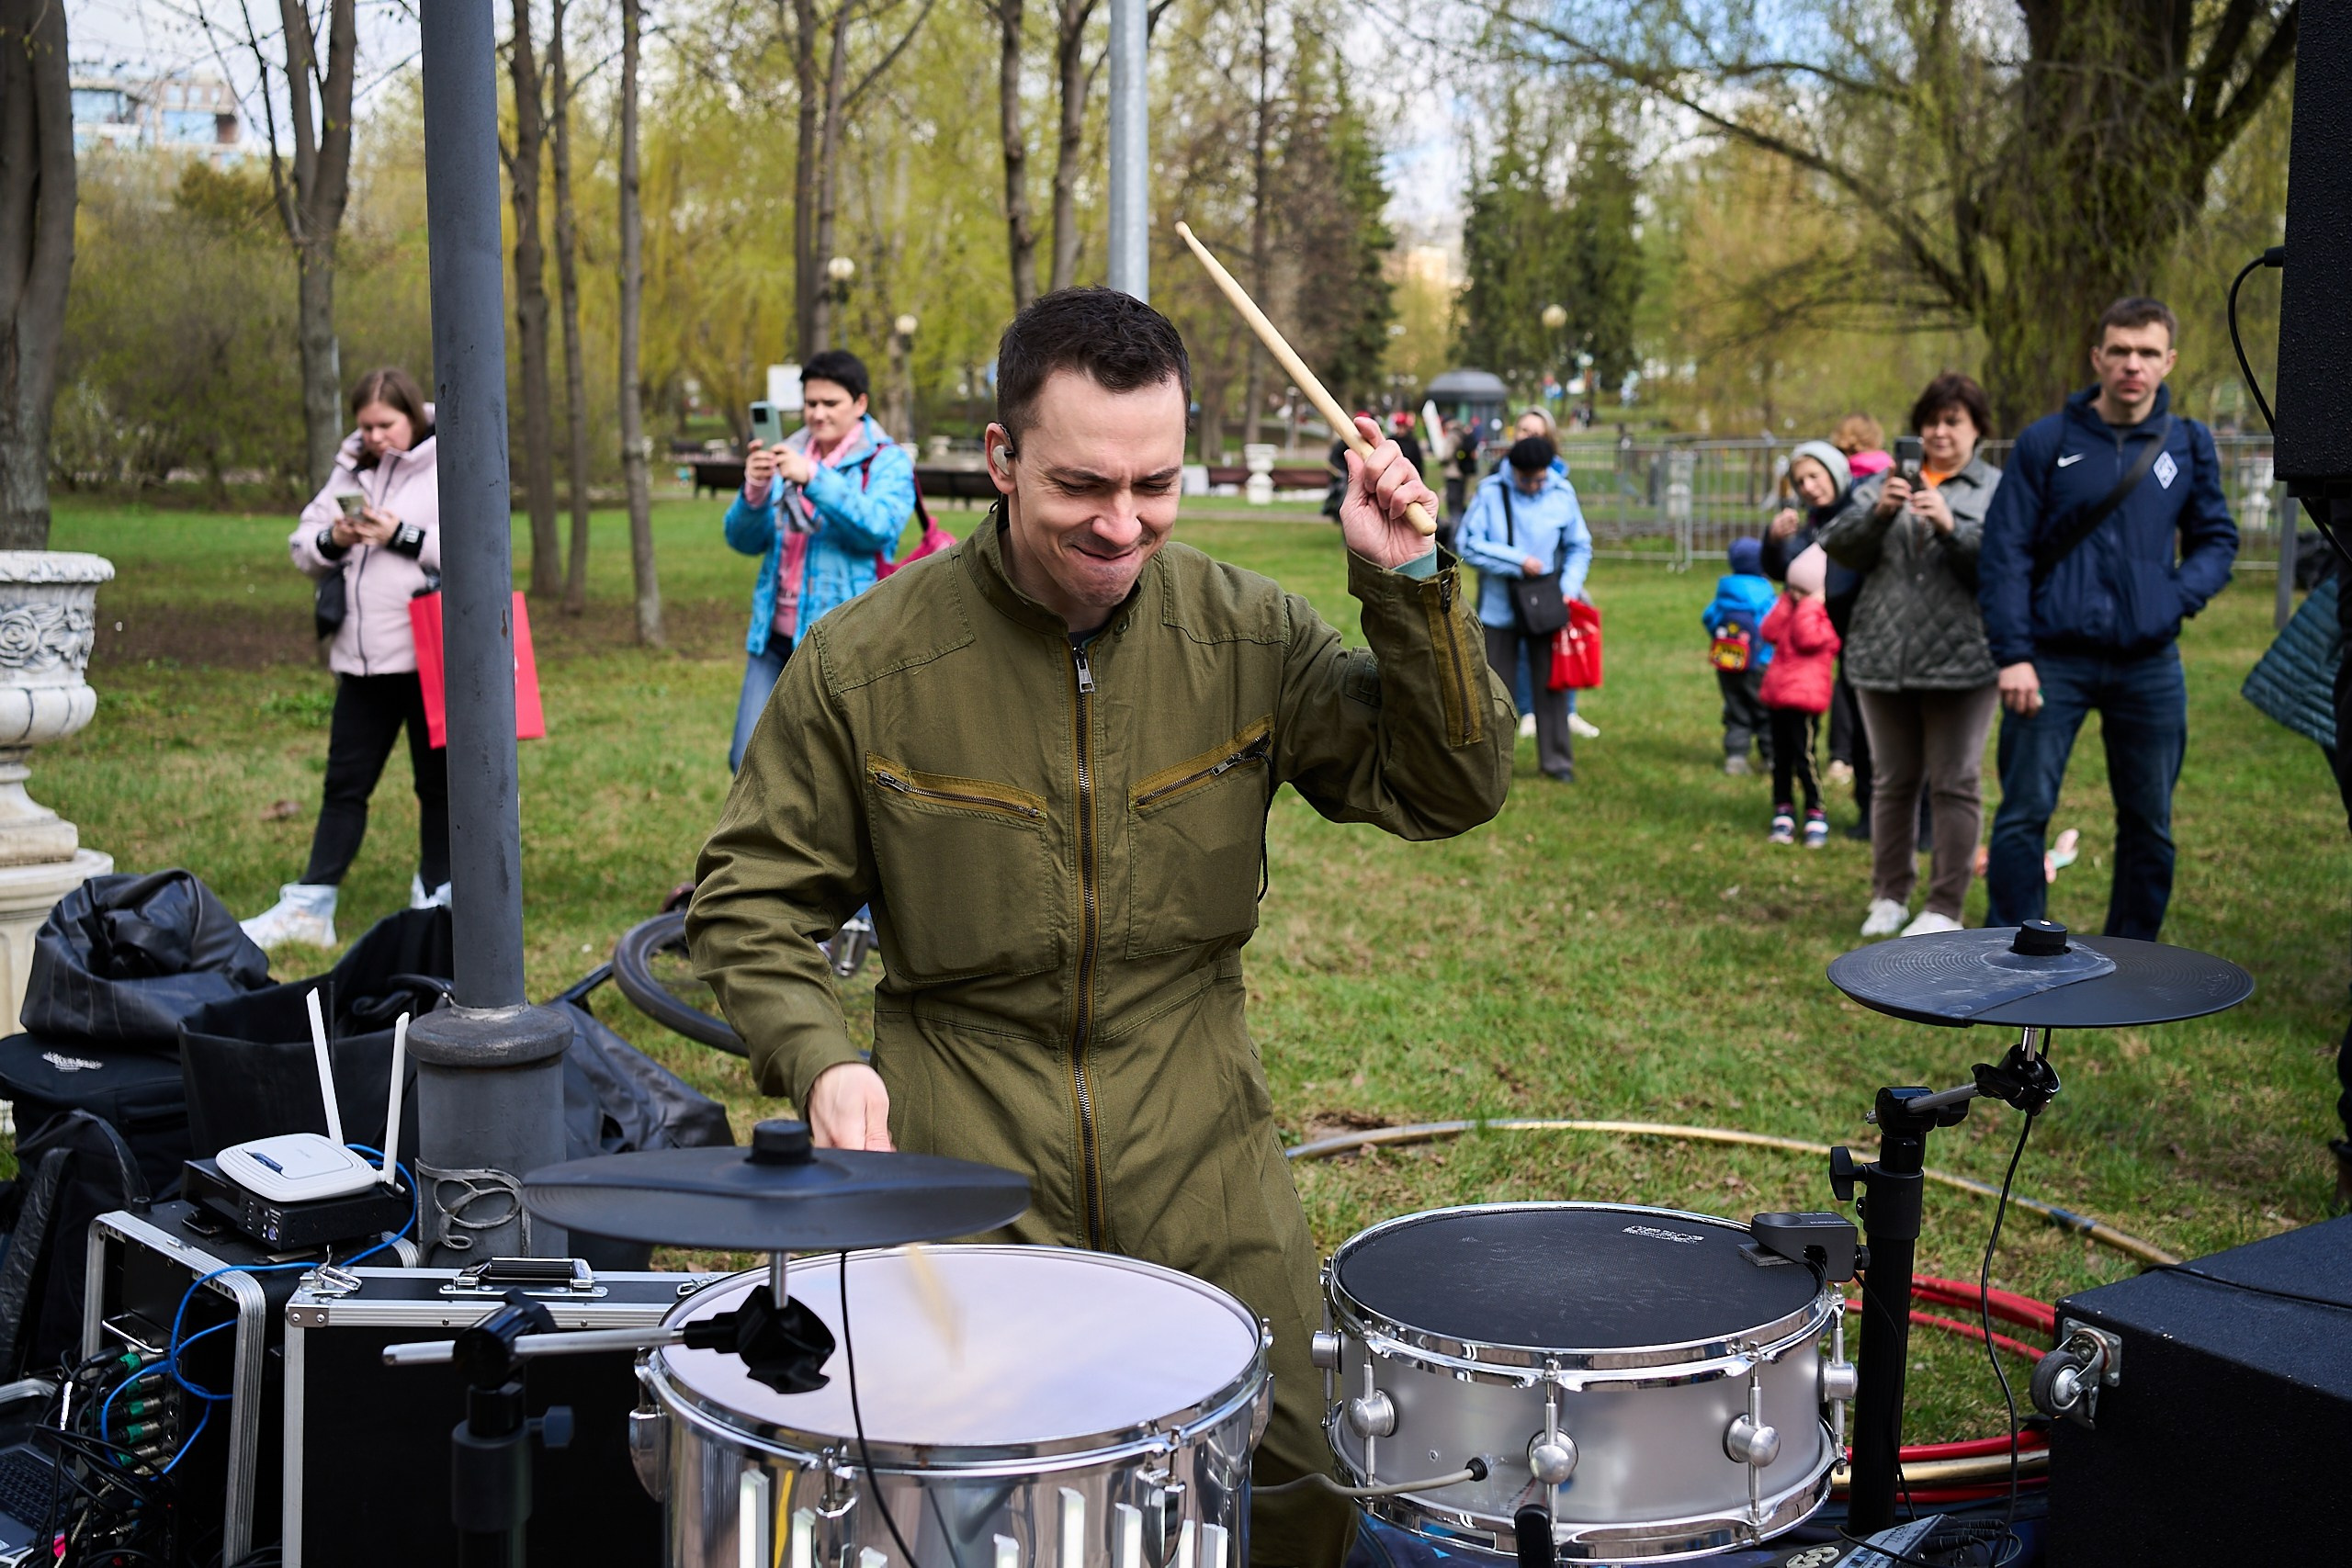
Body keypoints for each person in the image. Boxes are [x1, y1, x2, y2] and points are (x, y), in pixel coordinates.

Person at [687, 287, 1513, 1568]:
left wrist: (1406, 584)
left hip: (1198, 1121)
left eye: (1156, 482)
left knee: (1291, 1473)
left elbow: (1447, 786)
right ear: (1002, 459)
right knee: (974, 1494)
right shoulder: (865, 662)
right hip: (962, 1139)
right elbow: (747, 898)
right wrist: (822, 1054)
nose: (1123, 522)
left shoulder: (1249, 632)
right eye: (1081, 483)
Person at [1979, 297, 2239, 941]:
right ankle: (2017, 947)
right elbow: (2004, 550)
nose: (2132, 364)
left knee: (2149, 819)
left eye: (2147, 352)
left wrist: (2174, 598)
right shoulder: (2048, 441)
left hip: (2148, 662)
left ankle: (2132, 955)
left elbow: (2217, 538)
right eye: (2119, 350)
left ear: (2168, 361)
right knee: (2024, 813)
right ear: (2097, 358)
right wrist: (2012, 653)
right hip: (2050, 659)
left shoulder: (2190, 443)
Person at [242, 369, 446, 951]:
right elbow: (302, 546)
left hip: (430, 655)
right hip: (360, 659)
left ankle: (435, 904)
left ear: (412, 416)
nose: (376, 436)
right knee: (344, 785)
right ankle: (311, 907)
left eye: (387, 424)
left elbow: (475, 545)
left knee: (437, 788)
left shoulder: (448, 461)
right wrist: (337, 537)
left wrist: (399, 534)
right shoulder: (349, 468)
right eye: (366, 425)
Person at [1820, 373, 2004, 939]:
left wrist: (1953, 529)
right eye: (1931, 421)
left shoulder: (1995, 489)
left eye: (1953, 422)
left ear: (1977, 430)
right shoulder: (1883, 482)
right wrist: (1878, 512)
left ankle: (1946, 905)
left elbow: (2006, 562)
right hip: (1883, 655)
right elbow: (1836, 544)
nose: (1940, 432)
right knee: (1892, 781)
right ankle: (1889, 893)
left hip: (1963, 661)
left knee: (1955, 782)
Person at [724, 348, 915, 772]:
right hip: (773, 638)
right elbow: (741, 539)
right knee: (746, 759)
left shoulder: (886, 460)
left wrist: (814, 478)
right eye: (811, 403)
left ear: (860, 403)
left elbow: (879, 527)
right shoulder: (785, 452)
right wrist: (754, 492)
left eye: (831, 403)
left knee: (832, 770)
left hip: (845, 639)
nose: (818, 413)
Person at [1457, 434, 1593, 782]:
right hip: (1500, 609)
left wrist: (1567, 590)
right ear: (1513, 471)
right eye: (1526, 479)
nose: (1533, 485)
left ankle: (1557, 762)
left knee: (1552, 687)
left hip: (1547, 608)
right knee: (1493, 691)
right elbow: (1468, 544)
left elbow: (1579, 547)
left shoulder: (1562, 494)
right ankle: (1487, 769)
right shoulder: (1491, 493)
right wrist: (1518, 562)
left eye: (1540, 478)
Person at [1762, 442, 1871, 834]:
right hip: (1817, 637)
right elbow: (1788, 573)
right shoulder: (1810, 523)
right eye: (1800, 480)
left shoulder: (1861, 511)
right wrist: (1773, 541)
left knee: (1866, 720)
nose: (1808, 486)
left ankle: (1871, 809)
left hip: (1861, 627)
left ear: (1836, 473)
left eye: (1815, 476)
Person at [1758, 545, 1840, 847]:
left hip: (1804, 700)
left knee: (1803, 757)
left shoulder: (1821, 618)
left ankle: (1816, 810)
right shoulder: (1790, 609)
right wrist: (1786, 602)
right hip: (1779, 693)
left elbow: (1808, 639)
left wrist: (1808, 605)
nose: (1795, 595)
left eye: (1802, 589)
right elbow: (1768, 630)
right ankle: (1783, 808)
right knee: (1780, 758)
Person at [1702, 537, 1778, 775]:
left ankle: (1736, 758)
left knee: (1735, 709)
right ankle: (1771, 757)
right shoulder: (1765, 594)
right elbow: (1773, 626)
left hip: (1727, 663)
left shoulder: (1725, 591)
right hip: (1761, 663)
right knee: (1765, 711)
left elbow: (1709, 618)